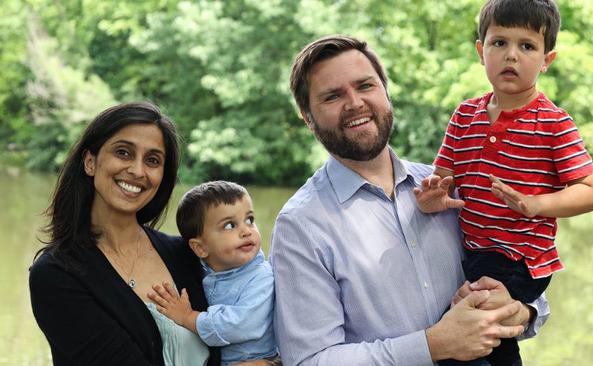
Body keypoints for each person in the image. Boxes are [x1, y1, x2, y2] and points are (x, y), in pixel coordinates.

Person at [270, 35, 550, 366]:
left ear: (385, 92)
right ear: (307, 116)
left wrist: (520, 310)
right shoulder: (301, 225)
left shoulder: (451, 187)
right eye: (332, 96)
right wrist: (432, 345)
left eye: (365, 86)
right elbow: (310, 361)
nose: (355, 103)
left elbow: (524, 268)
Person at [414, 1, 593, 365]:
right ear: (480, 50)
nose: (511, 56)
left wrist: (536, 205)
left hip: (520, 258)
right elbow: (442, 182)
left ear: (547, 60)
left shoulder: (554, 123)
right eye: (499, 43)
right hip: (473, 254)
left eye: (527, 46)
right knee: (490, 344)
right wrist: (430, 200)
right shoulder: (464, 115)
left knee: (461, 336)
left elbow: (591, 192)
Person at [29, 102, 223, 365]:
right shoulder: (56, 274)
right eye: (123, 152)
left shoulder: (187, 254)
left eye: (153, 160)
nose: (137, 171)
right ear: (90, 162)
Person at [147, 180, 281, 366]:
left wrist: (189, 317)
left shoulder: (261, 277)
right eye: (229, 225)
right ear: (200, 248)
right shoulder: (200, 272)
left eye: (249, 220)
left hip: (259, 360)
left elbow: (239, 325)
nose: (246, 231)